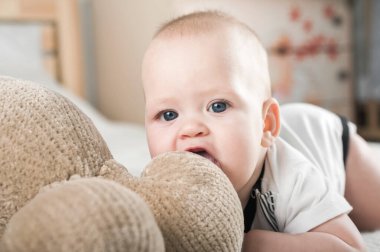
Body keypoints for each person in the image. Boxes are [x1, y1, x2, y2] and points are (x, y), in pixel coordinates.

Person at [141, 10, 380, 251]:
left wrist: (252, 243)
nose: (190, 129)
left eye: (218, 106)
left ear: (266, 124)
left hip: (333, 144)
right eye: (168, 115)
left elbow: (351, 247)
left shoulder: (291, 176)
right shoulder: (161, 193)